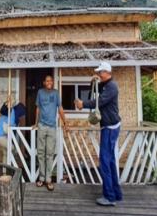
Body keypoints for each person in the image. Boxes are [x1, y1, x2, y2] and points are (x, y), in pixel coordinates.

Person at [75, 61, 123, 206]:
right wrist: (93, 82)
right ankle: (116, 193)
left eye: (100, 72)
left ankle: (109, 196)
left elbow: (99, 102)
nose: (98, 74)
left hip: (110, 127)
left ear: (107, 72)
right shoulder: (107, 85)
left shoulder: (112, 87)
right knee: (111, 161)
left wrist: (83, 104)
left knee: (104, 162)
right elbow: (98, 90)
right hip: (110, 126)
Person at [35, 75, 67, 191]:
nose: (49, 82)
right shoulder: (40, 92)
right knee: (40, 152)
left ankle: (48, 179)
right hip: (42, 126)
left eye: (51, 81)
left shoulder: (56, 93)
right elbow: (38, 108)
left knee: (49, 153)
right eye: (47, 80)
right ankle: (41, 178)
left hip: (52, 127)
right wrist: (35, 123)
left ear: (52, 82)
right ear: (44, 82)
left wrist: (65, 122)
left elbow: (60, 108)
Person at [0, 96, 26, 164]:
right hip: (0, 136)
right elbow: (2, 110)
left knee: (6, 154)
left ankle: (5, 171)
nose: (22, 116)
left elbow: (13, 133)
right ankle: (11, 166)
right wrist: (8, 102)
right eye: (22, 114)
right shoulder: (10, 111)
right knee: (12, 148)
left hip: (5, 137)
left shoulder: (15, 118)